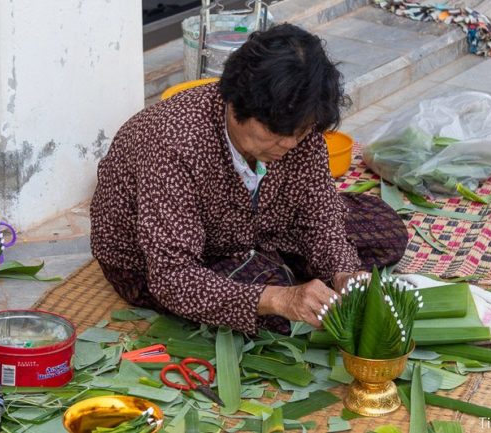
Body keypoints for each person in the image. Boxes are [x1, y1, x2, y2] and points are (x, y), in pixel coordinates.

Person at [90, 23, 407, 335]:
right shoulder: (175, 143)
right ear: (237, 105)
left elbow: (321, 218)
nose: (290, 145)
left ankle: (268, 265)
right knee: (279, 312)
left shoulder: (299, 126)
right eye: (278, 134)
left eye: (301, 132)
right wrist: (280, 298)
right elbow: (174, 277)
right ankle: (269, 272)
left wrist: (344, 273)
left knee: (385, 231)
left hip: (255, 227)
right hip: (161, 264)